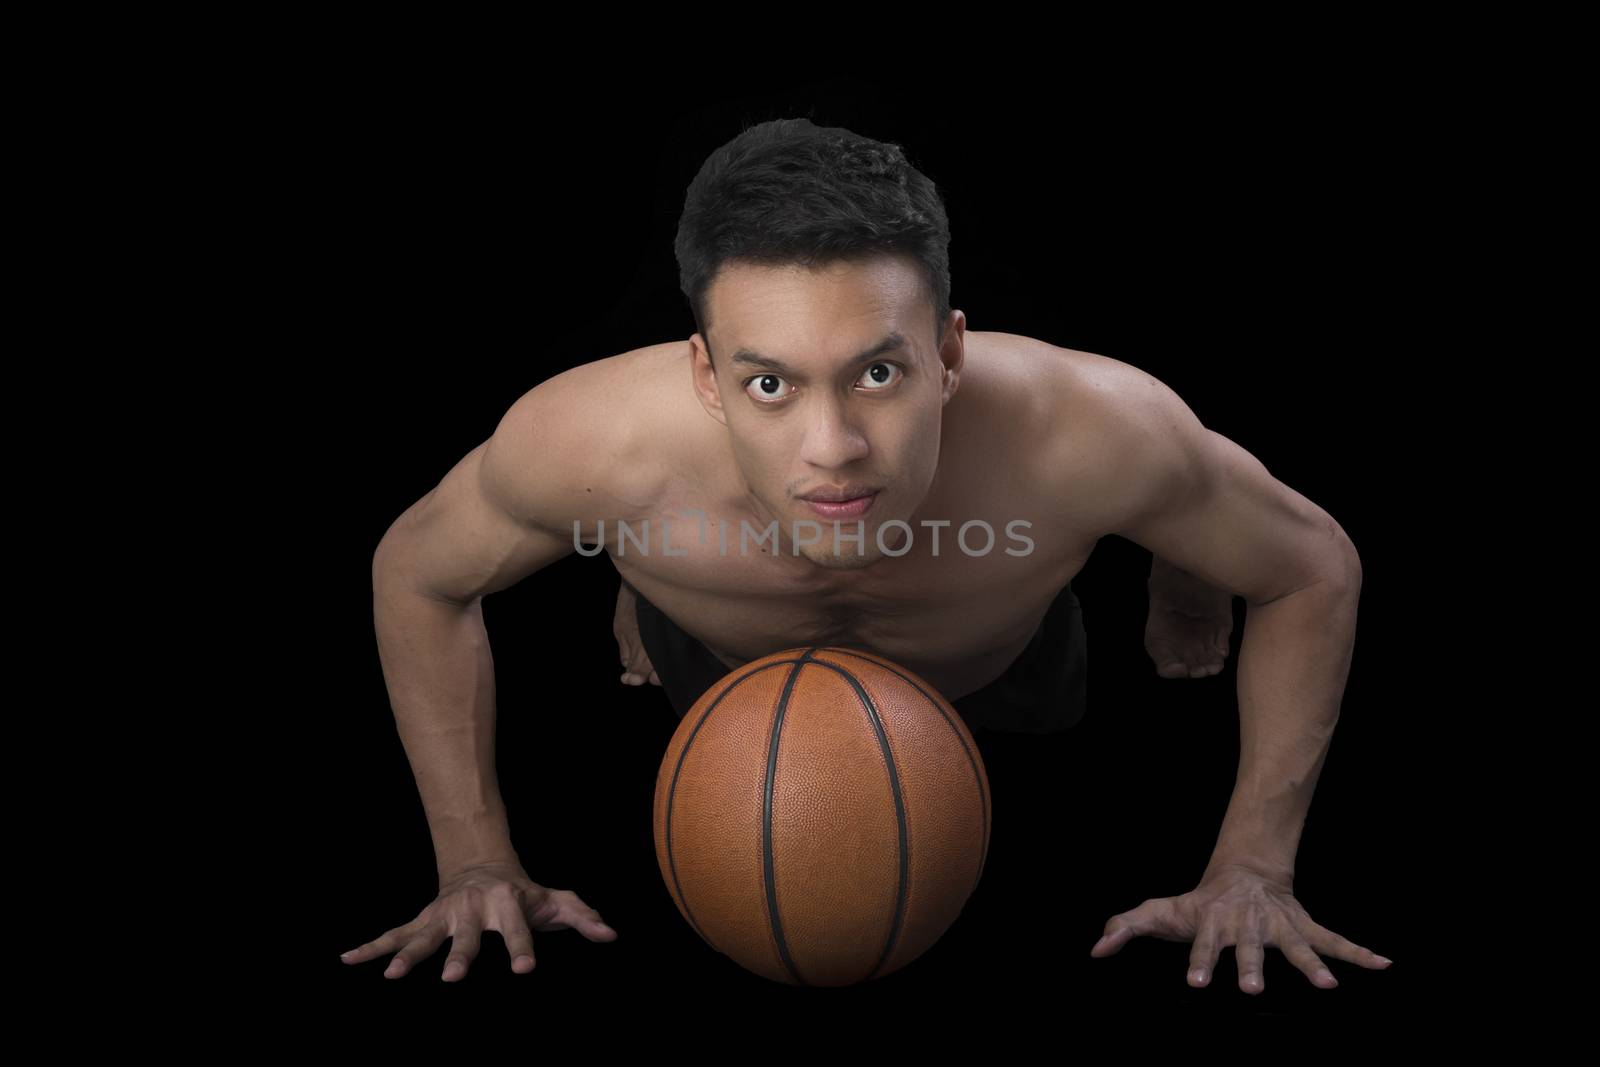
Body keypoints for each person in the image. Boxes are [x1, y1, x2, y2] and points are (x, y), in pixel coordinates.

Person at [343, 118, 1390, 993]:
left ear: (948, 354)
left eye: (879, 372)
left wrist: (1254, 863)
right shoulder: (589, 441)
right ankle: (647, 579)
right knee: (653, 539)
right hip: (721, 649)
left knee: (1178, 501)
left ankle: (1182, 551)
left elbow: (1309, 566)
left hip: (1002, 653)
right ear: (704, 376)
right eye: (768, 384)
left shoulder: (1092, 427)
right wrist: (474, 858)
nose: (833, 445)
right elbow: (417, 572)